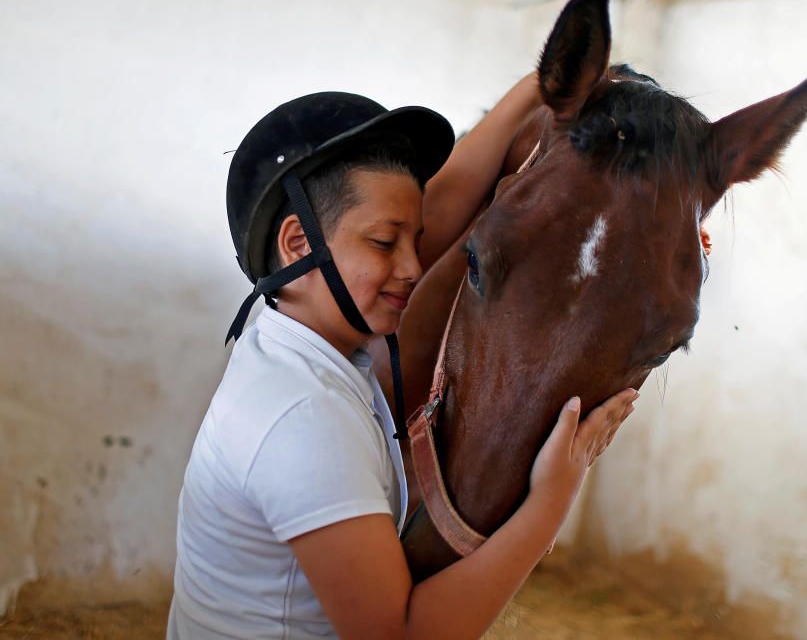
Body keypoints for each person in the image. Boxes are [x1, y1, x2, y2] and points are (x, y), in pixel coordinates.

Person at [168, 74, 639, 640]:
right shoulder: (304, 417)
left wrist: (538, 86)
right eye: (385, 243)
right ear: (298, 244)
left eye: (414, 240)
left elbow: (439, 205)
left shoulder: (294, 341)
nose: (415, 265)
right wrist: (550, 504)